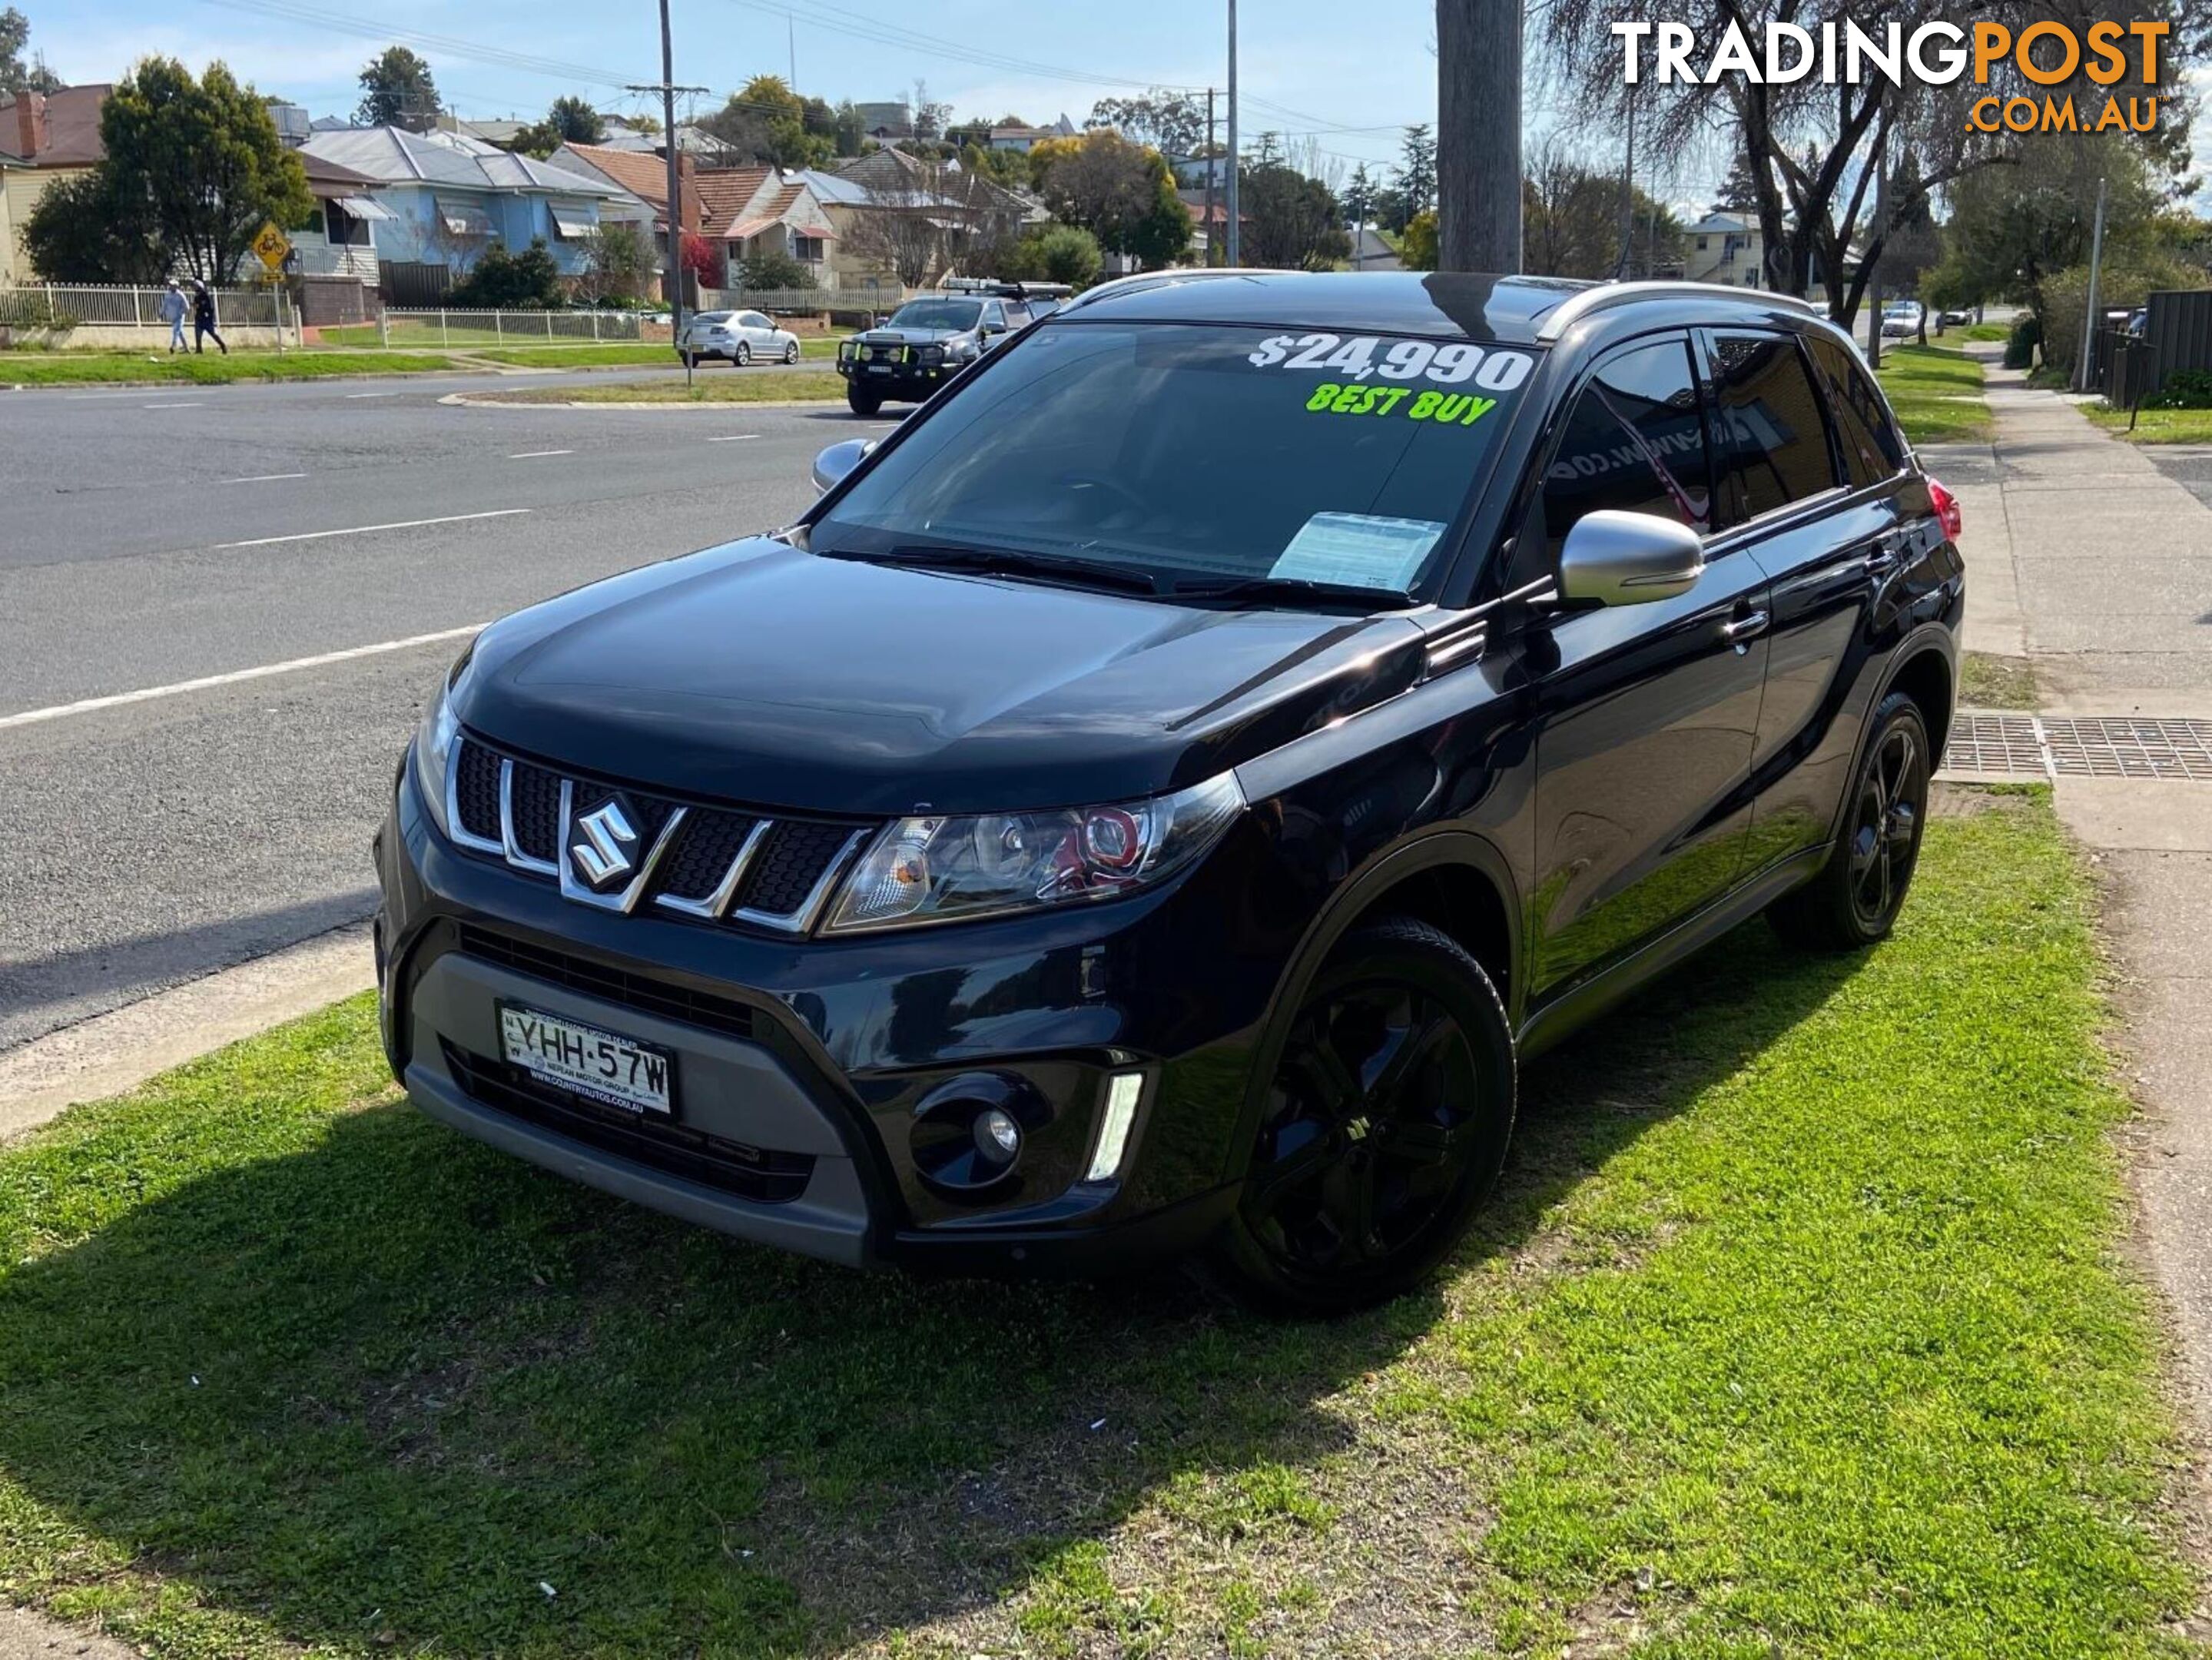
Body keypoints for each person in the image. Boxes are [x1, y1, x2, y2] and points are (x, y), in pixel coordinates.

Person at [191, 281, 227, 356]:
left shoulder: (205, 295)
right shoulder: (196, 296)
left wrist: (200, 306)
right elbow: (196, 305)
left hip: (206, 318)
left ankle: (223, 346)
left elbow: (208, 307)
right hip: (199, 317)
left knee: (212, 334)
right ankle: (199, 349)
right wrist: (194, 305)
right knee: (198, 334)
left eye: (195, 286)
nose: (194, 288)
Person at [158, 279, 187, 353]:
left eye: (172, 285)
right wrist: (161, 313)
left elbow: (187, 307)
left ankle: (173, 346)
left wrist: (180, 313)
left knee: (176, 331)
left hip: (179, 317)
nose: (170, 287)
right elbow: (164, 305)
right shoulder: (168, 295)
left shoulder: (180, 295)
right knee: (180, 332)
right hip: (172, 317)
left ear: (176, 287)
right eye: (170, 285)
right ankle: (186, 348)